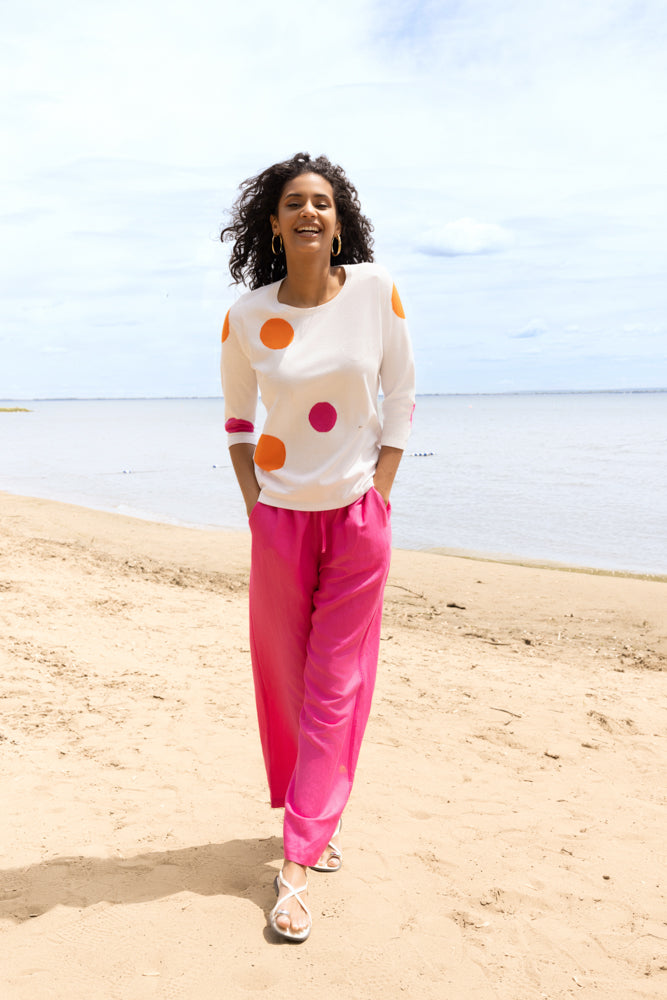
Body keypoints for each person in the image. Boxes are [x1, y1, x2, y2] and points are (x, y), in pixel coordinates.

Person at [219, 152, 415, 942]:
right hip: (280, 518)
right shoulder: (244, 315)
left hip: (357, 517)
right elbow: (237, 426)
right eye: (293, 202)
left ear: (339, 221)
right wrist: (258, 508)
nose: (309, 212)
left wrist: (380, 494)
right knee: (285, 675)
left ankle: (297, 860)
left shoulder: (373, 292)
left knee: (335, 681)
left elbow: (399, 399)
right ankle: (313, 814)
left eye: (322, 203)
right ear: (271, 222)